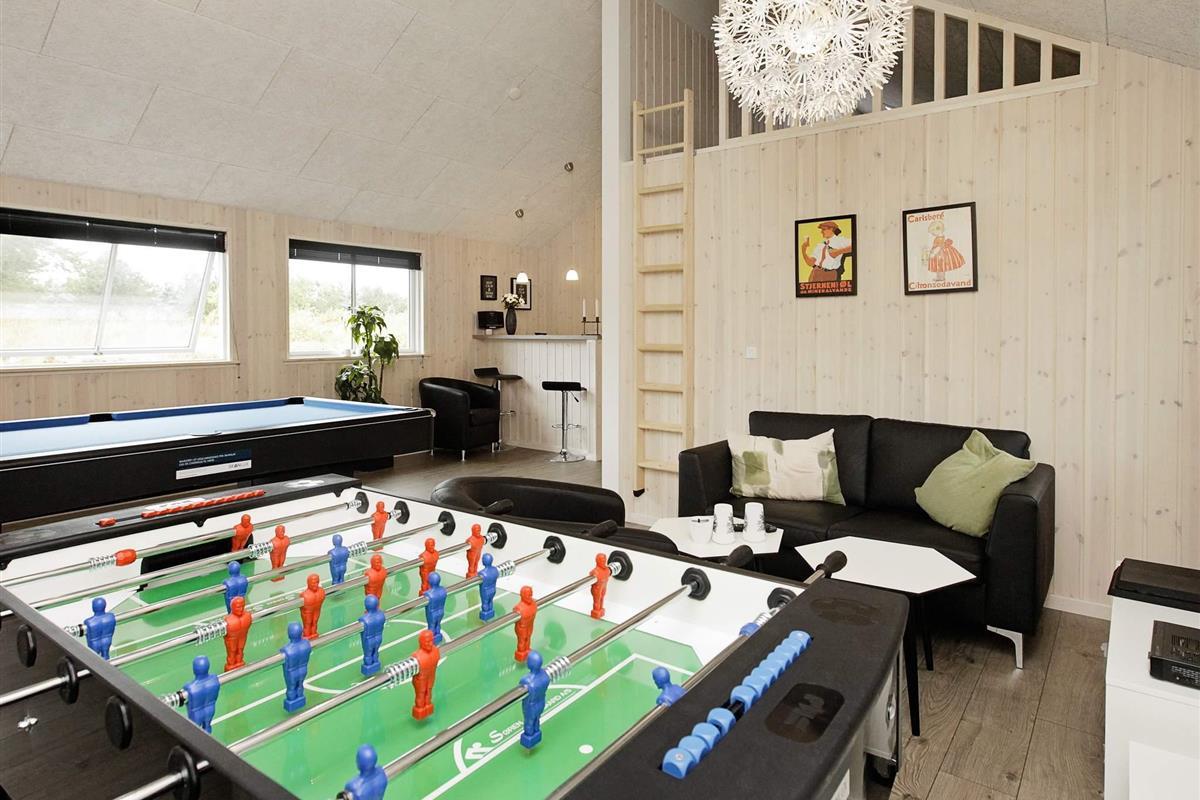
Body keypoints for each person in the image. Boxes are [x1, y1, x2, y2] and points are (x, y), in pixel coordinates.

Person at [519, 650, 551, 749]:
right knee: (537, 720)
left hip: (530, 705)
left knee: (529, 722)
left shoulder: (526, 680)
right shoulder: (545, 675)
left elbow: (521, 685)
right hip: (541, 702)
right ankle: (536, 734)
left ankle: (529, 741)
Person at [279, 621, 312, 712]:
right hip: (303, 669)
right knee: (300, 685)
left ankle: (292, 703)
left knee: (291, 688)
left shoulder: (286, 649)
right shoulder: (306, 644)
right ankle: (300, 698)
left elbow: (281, 652)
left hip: (291, 672)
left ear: (289, 634)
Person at [183, 655, 220, 732]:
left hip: (196, 713)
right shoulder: (214, 679)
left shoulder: (189, 687)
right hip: (210, 709)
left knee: (195, 732)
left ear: (194, 669)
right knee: (207, 727)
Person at [411, 628, 440, 720]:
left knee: (429, 691)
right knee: (421, 693)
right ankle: (420, 709)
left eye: (431, 641)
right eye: (427, 642)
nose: (430, 644)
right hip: (421, 678)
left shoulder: (435, 651)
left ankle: (428, 706)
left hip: (430, 676)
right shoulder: (417, 656)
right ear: (421, 643)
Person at [358, 594, 386, 676]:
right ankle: (376, 663)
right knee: (375, 652)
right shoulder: (381, 615)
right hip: (379, 637)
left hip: (369, 640)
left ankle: (368, 668)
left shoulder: (364, 619)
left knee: (368, 654)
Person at [223, 595, 253, 671]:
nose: (241, 609)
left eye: (242, 606)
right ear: (233, 608)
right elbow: (225, 634)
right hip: (232, 638)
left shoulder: (247, 616)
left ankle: (239, 662)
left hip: (242, 636)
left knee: (240, 649)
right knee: (232, 651)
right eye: (238, 607)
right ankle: (231, 663)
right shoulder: (228, 620)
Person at [513, 586, 538, 662]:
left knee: (528, 637)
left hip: (530, 624)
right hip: (522, 627)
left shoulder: (533, 603)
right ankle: (521, 653)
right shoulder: (518, 608)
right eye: (528, 595)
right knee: (522, 640)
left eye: (531, 594)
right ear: (523, 595)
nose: (530, 596)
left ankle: (527, 650)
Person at [299, 573, 326, 639]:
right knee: (308, 623)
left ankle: (314, 634)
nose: (316, 585)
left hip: (317, 610)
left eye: (317, 582)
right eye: (313, 583)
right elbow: (302, 608)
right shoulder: (304, 595)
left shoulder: (321, 591)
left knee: (315, 621)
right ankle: (307, 635)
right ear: (308, 583)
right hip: (308, 612)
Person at [423, 571, 447, 644]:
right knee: (438, 624)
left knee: (432, 626)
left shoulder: (428, 594)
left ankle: (431, 640)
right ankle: (438, 635)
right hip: (441, 611)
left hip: (432, 613)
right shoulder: (443, 590)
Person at [589, 552, 611, 620]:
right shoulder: (595, 571)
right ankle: (596, 612)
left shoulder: (607, 570)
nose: (604, 562)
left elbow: (608, 574)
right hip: (597, 588)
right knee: (597, 600)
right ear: (597, 561)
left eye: (605, 560)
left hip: (603, 587)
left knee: (602, 597)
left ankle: (600, 610)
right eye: (602, 560)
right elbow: (591, 574)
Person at [478, 553, 499, 622]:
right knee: (490, 601)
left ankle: (485, 616)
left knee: (485, 602)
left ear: (484, 561)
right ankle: (490, 612)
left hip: (485, 591)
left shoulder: (482, 573)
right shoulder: (495, 569)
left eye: (483, 559)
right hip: (493, 589)